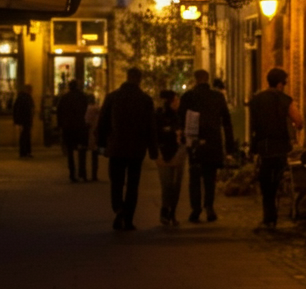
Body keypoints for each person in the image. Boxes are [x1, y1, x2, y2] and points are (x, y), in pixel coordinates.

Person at [97, 68, 157, 231]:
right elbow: (151, 127)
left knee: (116, 182)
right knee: (133, 185)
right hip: (136, 149)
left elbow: (102, 123)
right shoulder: (145, 100)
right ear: (139, 79)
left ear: (127, 77)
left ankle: (119, 209)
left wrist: (101, 144)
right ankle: (128, 218)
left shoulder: (113, 97)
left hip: (117, 147)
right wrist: (153, 150)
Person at [247, 67, 302, 229]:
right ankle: (273, 215)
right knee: (277, 180)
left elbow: (253, 125)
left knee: (265, 183)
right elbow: (299, 122)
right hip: (280, 147)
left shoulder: (256, 100)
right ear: (279, 84)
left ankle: (268, 216)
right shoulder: (285, 100)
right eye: (284, 83)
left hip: (263, 146)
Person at [180, 69, 236, 222]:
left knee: (195, 177)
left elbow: (181, 118)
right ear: (208, 79)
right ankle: (209, 206)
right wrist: (230, 147)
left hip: (195, 141)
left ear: (195, 79)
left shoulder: (188, 97)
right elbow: (227, 122)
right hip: (213, 141)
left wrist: (184, 139)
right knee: (210, 177)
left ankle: (196, 209)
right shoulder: (217, 97)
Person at [154, 90, 187, 226]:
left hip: (176, 151)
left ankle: (170, 211)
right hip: (166, 152)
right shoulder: (160, 116)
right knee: (168, 184)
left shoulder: (179, 115)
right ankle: (166, 210)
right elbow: (157, 133)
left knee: (173, 184)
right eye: (175, 100)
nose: (178, 103)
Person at [56, 80, 90, 182]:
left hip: (68, 127)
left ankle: (72, 174)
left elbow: (59, 112)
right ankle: (82, 173)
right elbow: (87, 111)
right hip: (80, 126)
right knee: (82, 151)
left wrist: (60, 125)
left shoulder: (64, 98)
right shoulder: (83, 97)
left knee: (70, 152)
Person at [82, 93, 102, 181]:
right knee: (95, 155)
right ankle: (94, 174)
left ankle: (84, 174)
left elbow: (86, 121)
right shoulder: (97, 108)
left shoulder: (88, 108)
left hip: (88, 133)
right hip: (95, 132)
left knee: (84, 154)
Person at [13, 84, 34, 158]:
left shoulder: (21, 98)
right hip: (25, 120)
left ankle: (25, 152)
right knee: (25, 136)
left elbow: (16, 109)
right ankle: (25, 152)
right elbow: (27, 110)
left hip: (24, 120)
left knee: (25, 136)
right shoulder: (25, 98)